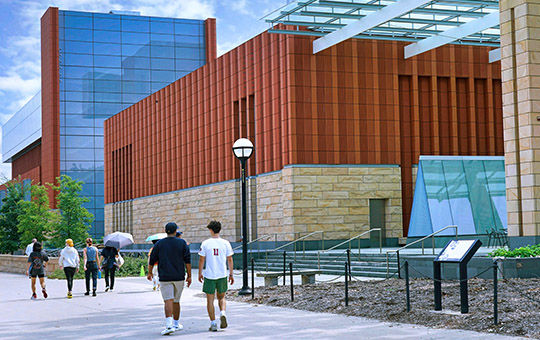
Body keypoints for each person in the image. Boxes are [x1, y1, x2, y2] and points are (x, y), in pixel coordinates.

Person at [148, 222, 191, 335]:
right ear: (176, 230)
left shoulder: (159, 244)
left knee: (168, 300)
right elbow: (187, 260)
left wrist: (149, 273)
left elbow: (152, 259)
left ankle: (168, 325)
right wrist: (189, 276)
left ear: (165, 230)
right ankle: (176, 324)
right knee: (176, 301)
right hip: (179, 276)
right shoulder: (182, 243)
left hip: (165, 276)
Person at [198, 220, 234, 332]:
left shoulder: (205, 243)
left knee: (210, 300)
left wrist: (200, 273)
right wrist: (231, 274)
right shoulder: (225, 243)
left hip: (209, 275)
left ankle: (213, 323)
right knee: (222, 297)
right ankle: (223, 313)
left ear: (210, 230)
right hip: (222, 273)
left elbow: (201, 259)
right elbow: (230, 259)